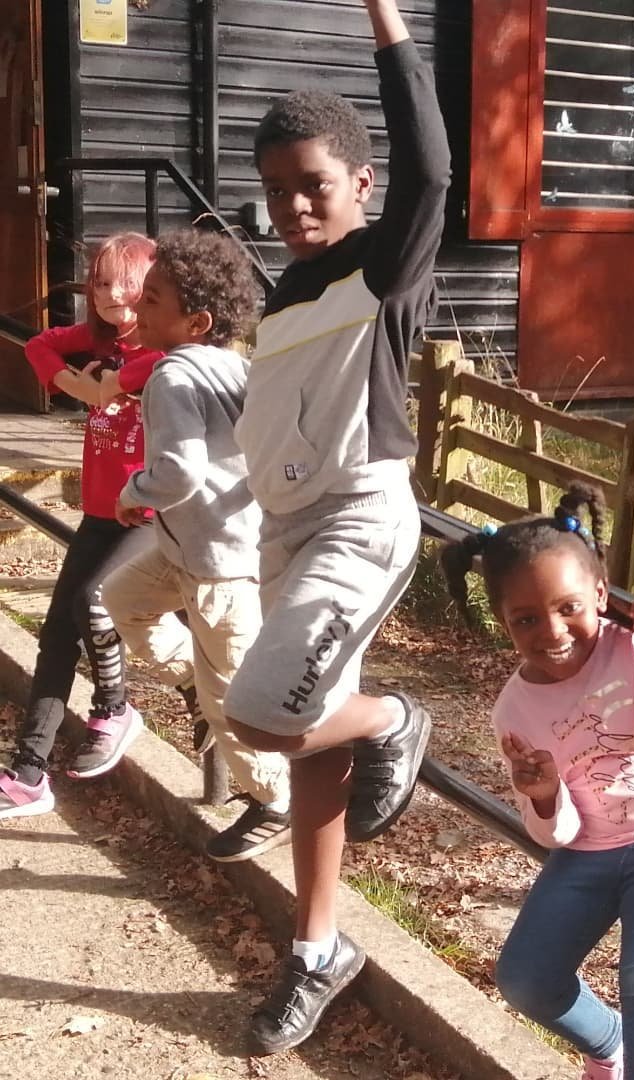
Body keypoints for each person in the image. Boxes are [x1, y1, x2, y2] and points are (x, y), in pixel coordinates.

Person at [218, 0, 451, 1055]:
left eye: (312, 185)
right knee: (311, 742)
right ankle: (318, 948)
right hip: (284, 529)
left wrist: (386, 23)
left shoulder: (383, 267)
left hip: (359, 520)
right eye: (275, 192)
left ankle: (396, 717)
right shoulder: (285, 296)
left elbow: (433, 170)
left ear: (358, 185)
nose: (293, 207)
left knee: (264, 716)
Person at [440, 484, 634, 1080]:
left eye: (569, 608)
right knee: (525, 977)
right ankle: (606, 1042)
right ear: (503, 619)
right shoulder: (514, 710)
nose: (553, 631)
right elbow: (554, 833)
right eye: (527, 619)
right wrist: (542, 795)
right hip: (589, 849)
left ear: (599, 592)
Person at [99, 229, 292, 863]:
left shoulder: (173, 377)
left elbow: (178, 471)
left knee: (233, 693)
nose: (137, 310)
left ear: (196, 321)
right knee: (122, 598)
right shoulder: (235, 364)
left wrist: (133, 490)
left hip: (218, 569)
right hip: (193, 551)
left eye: (151, 300)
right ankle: (192, 685)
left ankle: (274, 799)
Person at [0, 232, 163, 819]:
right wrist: (74, 383)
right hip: (99, 510)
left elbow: (148, 370)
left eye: (126, 282)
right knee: (55, 633)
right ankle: (27, 774)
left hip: (148, 515)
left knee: (95, 604)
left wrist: (109, 384)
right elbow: (41, 344)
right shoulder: (95, 340)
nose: (110, 293)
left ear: (153, 288)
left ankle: (115, 708)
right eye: (99, 282)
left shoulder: (163, 352)